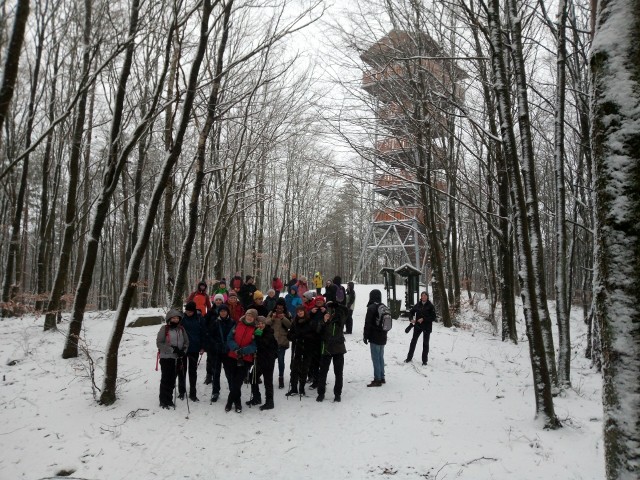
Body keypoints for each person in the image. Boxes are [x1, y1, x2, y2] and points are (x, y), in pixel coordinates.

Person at [225, 309, 258, 413]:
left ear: (254, 318)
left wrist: (243, 351)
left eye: (252, 316)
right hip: (232, 356)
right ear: (245, 315)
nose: (249, 317)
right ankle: (237, 400)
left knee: (238, 382)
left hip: (245, 359)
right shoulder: (237, 325)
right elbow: (229, 338)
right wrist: (235, 349)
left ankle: (231, 402)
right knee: (232, 380)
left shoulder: (256, 329)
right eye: (248, 314)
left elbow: (255, 345)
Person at [156, 309, 189, 409]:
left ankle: (169, 399)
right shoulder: (164, 329)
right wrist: (172, 349)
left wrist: (183, 351)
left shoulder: (181, 329)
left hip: (178, 358)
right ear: (169, 319)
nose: (176, 320)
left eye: (177, 318)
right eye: (174, 318)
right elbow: (159, 343)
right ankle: (163, 400)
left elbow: (186, 342)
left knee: (172, 380)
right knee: (166, 379)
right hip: (166, 358)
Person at [315, 302, 347, 402]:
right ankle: (321, 393)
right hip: (326, 349)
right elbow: (318, 332)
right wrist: (324, 321)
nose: (330, 312)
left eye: (332, 310)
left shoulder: (340, 319)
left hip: (338, 349)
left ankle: (337, 394)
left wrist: (337, 305)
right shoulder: (324, 320)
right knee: (323, 373)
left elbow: (346, 310)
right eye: (328, 310)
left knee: (338, 373)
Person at [247, 315, 278, 410]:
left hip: (268, 360)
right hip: (260, 359)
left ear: (265, 324)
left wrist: (256, 336)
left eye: (262, 323)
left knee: (268, 381)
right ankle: (257, 397)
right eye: (258, 323)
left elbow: (264, 344)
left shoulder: (268, 332)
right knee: (253, 377)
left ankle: (270, 402)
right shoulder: (257, 332)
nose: (260, 325)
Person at [205, 304, 234, 402]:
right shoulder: (215, 322)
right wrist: (215, 344)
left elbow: (235, 336)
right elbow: (209, 335)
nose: (223, 313)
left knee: (229, 373)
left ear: (227, 312)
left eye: (225, 311)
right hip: (217, 351)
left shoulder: (232, 322)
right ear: (219, 312)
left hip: (228, 351)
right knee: (216, 372)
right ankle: (215, 391)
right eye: (221, 311)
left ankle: (232, 390)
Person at [179, 302, 205, 401]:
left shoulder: (199, 318)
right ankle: (182, 392)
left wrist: (203, 347)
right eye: (187, 311)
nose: (188, 313)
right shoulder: (182, 318)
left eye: (190, 311)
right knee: (181, 371)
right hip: (183, 349)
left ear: (194, 311)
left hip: (194, 348)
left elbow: (203, 333)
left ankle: (193, 393)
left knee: (192, 372)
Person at [286, 305, 314, 397]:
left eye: (301, 311)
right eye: (298, 312)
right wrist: (295, 337)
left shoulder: (309, 321)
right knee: (294, 368)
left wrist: (304, 337)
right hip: (297, 348)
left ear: (304, 312)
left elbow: (314, 334)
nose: (300, 313)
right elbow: (289, 334)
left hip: (307, 348)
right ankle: (294, 388)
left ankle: (301, 388)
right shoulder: (295, 322)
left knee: (304, 369)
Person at [363, 289, 387, 387]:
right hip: (383, 336)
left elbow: (367, 323)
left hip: (374, 336)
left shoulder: (371, 307)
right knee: (380, 357)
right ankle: (382, 377)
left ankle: (377, 379)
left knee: (375, 358)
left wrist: (365, 336)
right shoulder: (384, 307)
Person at [404, 291, 436, 365]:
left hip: (427, 327)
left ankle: (424, 361)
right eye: (422, 296)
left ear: (427, 297)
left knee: (425, 343)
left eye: (425, 296)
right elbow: (411, 312)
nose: (423, 297)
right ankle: (409, 358)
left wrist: (423, 319)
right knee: (413, 342)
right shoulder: (418, 304)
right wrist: (411, 319)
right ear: (421, 297)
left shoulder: (430, 306)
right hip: (418, 326)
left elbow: (433, 317)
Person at [268, 298, 292, 389]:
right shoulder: (271, 313)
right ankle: (269, 377)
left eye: (281, 308)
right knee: (271, 361)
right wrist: (272, 319)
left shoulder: (287, 314)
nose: (279, 309)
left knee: (281, 360)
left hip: (282, 341)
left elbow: (290, 325)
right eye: (278, 307)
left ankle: (281, 377)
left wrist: (283, 318)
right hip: (272, 341)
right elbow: (266, 323)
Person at [307, 295, 327, 389]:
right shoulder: (312, 310)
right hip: (313, 339)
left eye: (320, 301)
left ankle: (322, 380)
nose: (319, 302)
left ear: (323, 302)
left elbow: (330, 321)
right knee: (314, 361)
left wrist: (326, 312)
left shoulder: (326, 310)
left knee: (323, 361)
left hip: (323, 339)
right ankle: (315, 380)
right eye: (317, 301)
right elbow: (306, 320)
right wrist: (311, 313)